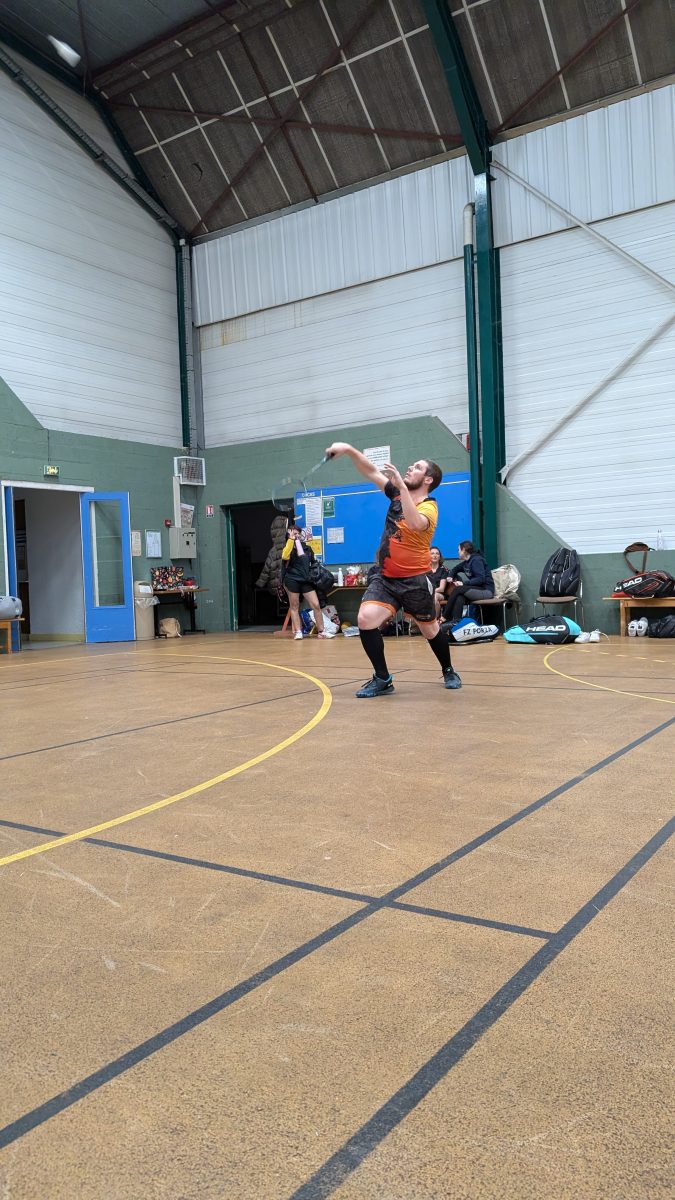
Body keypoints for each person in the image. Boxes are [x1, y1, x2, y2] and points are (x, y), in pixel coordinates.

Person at [324, 442, 461, 695]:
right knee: (365, 619)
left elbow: (415, 523)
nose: (410, 467)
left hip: (415, 580)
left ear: (428, 479)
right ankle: (382, 678)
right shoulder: (396, 493)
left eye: (417, 467)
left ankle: (448, 669)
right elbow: (371, 471)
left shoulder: (430, 506)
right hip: (386, 577)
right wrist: (349, 450)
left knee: (430, 630)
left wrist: (402, 488)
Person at [281, 525, 333, 640]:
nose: (297, 535)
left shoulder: (307, 548)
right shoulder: (287, 547)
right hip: (292, 579)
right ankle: (298, 631)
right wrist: (291, 540)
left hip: (306, 580)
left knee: (316, 605)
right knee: (294, 606)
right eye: (294, 533)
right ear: (289, 535)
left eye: (298, 533)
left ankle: (321, 632)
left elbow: (313, 563)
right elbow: (285, 556)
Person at [443, 540, 494, 624]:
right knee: (460, 597)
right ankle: (456, 623)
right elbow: (455, 569)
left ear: (464, 550)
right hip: (476, 589)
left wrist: (463, 583)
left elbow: (480, 579)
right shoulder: (466, 563)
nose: (458, 552)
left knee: (458, 589)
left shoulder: (476, 560)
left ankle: (444, 617)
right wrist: (450, 576)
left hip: (486, 590)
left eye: (459, 550)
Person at [256, 513, 289, 597]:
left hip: (277, 585)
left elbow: (266, 568)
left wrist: (260, 583)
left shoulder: (273, 550)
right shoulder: (290, 545)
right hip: (291, 583)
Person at [429, 546, 449, 620]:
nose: (435, 555)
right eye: (432, 553)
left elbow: (441, 589)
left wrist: (429, 591)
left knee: (434, 597)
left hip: (439, 594)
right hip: (426, 593)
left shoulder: (443, 570)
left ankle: (435, 620)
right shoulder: (425, 569)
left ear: (440, 557)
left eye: (437, 553)